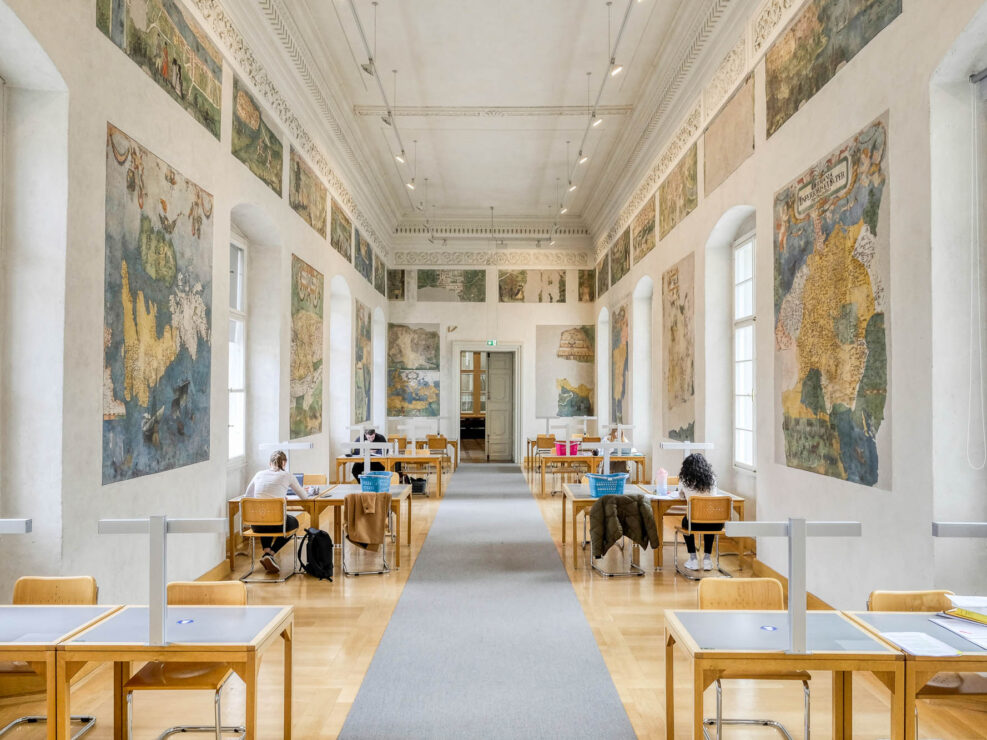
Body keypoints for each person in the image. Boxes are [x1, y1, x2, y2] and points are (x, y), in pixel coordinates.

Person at [244, 450, 310, 574]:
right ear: (284, 463)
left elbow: (247, 496)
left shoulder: (259, 474)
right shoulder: (287, 476)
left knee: (265, 517)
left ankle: (266, 553)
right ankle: (272, 553)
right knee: (294, 522)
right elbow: (305, 498)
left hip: (256, 525)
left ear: (270, 463)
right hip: (278, 524)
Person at [678, 453, 721, 572]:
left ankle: (693, 559)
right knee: (709, 519)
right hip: (715, 523)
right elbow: (714, 495)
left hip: (694, 523)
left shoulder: (684, 480)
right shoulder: (712, 479)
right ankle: (707, 559)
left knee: (685, 521)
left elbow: (681, 495)